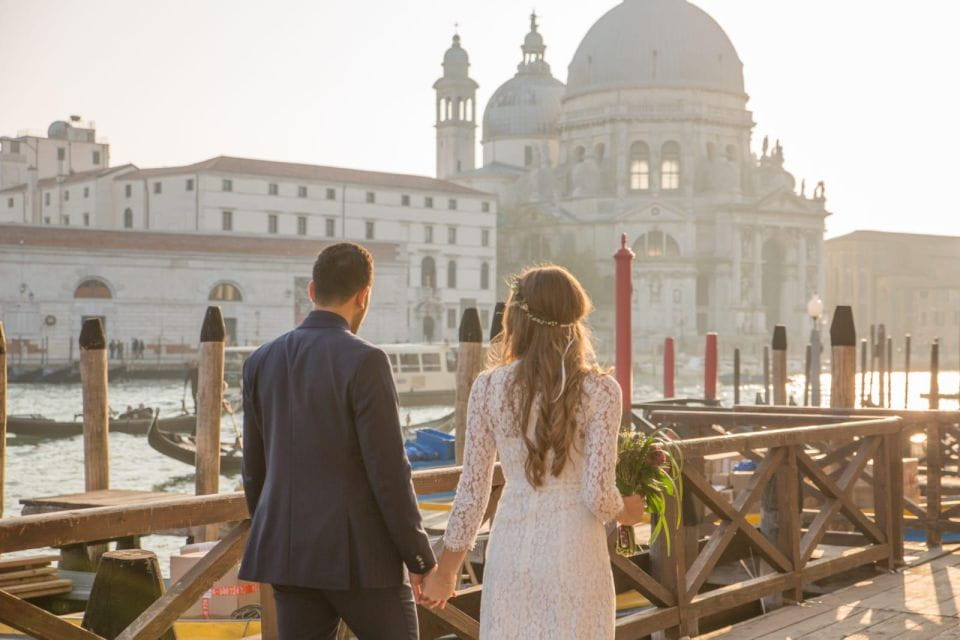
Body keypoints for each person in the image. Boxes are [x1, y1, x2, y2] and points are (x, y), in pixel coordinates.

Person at [420, 265, 645, 638]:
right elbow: (597, 495)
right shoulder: (601, 391)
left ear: (516, 319)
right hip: (574, 550)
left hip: (511, 548)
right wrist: (627, 511)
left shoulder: (488, 387)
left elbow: (472, 492)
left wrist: (446, 571)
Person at [239, 243, 435, 640]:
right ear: (364, 295)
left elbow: (254, 470)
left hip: (289, 555)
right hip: (361, 560)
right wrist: (419, 556)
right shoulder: (367, 360)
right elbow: (389, 472)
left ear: (312, 291)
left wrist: (276, 531)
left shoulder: (259, 360)